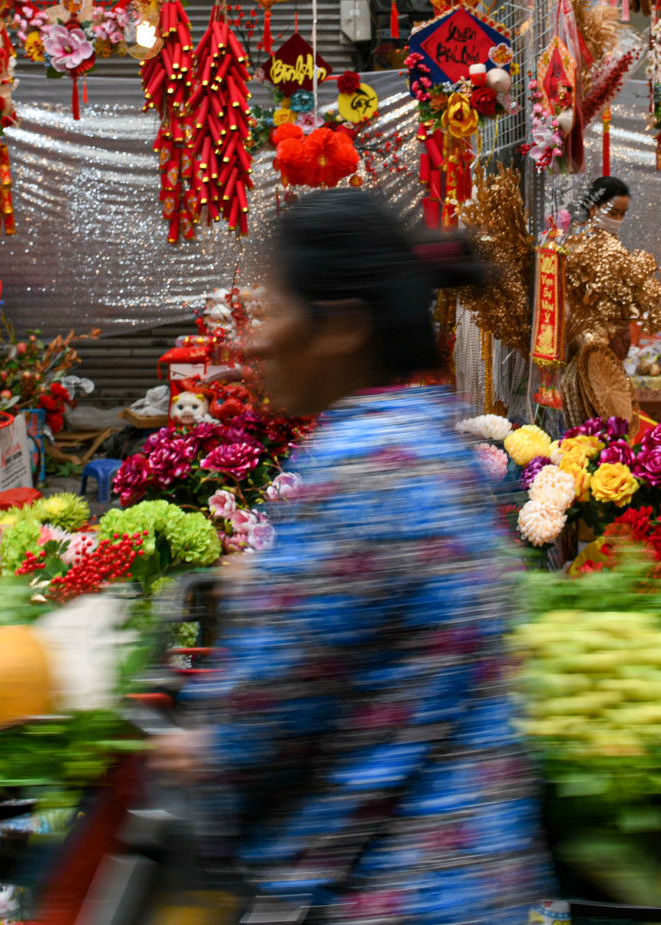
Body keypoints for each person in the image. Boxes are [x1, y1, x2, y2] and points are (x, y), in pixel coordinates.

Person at [159, 190, 553, 925]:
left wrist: (201, 745)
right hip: (478, 871)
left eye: (274, 311)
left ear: (340, 327)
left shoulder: (359, 463)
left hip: (395, 889)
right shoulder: (438, 438)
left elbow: (275, 687)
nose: (257, 341)